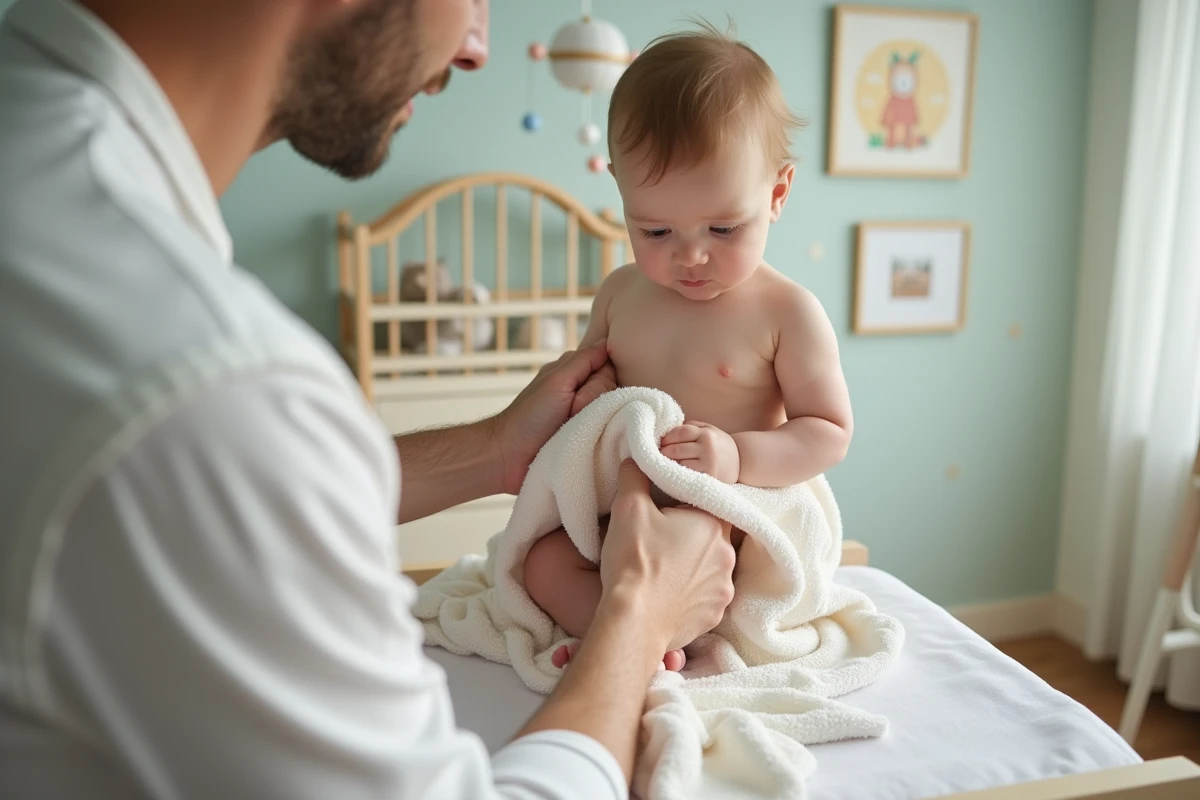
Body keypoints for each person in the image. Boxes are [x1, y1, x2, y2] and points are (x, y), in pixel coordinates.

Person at [0, 2, 737, 799]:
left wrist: (497, 450)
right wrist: (638, 609)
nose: (476, 49)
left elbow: (237, 489)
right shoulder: (197, 379)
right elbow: (211, 446)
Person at [524, 23, 854, 671]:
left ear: (777, 194)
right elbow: (593, 377)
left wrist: (735, 455)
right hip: (623, 506)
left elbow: (829, 431)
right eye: (655, 229)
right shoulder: (622, 293)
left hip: (726, 513)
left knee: (705, 546)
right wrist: (591, 396)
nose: (690, 255)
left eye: (723, 227)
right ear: (621, 190)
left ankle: (665, 634)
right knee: (541, 562)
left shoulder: (786, 312)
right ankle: (626, 640)